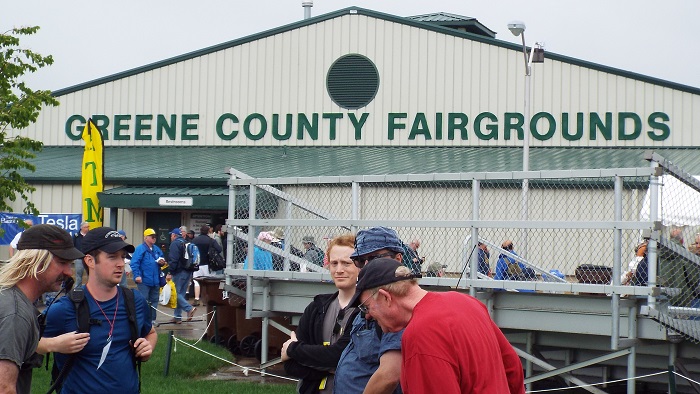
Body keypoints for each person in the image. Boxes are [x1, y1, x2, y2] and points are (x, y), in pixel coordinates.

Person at [350, 258, 525, 393]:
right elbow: (513, 367)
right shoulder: (467, 302)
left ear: (385, 297)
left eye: (366, 306)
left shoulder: (420, 334)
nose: (367, 315)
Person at [41, 227, 157, 393]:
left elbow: (151, 332)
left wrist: (147, 347)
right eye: (112, 257)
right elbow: (28, 344)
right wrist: (54, 344)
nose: (120, 263)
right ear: (89, 261)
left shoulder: (134, 301)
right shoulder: (65, 308)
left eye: (123, 257)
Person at [0, 224, 84, 394]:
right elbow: (4, 387)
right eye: (62, 262)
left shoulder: (10, 298)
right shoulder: (16, 314)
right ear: (36, 261)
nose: (69, 272)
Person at [281, 234, 360, 393]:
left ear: (360, 265)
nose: (339, 270)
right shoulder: (316, 308)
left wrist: (292, 349)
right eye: (334, 263)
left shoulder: (366, 311)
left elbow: (338, 356)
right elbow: (290, 366)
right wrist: (331, 368)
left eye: (346, 263)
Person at [335, 226, 405, 394]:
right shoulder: (367, 301)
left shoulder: (396, 308)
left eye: (374, 258)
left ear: (398, 259)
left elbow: (389, 376)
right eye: (359, 261)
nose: (366, 266)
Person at [130, 228, 166, 325]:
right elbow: (134, 263)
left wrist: (162, 263)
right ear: (145, 237)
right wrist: (137, 275)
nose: (154, 238)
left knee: (154, 301)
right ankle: (143, 320)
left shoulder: (157, 249)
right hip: (144, 280)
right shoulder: (140, 249)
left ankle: (152, 320)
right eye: (152, 236)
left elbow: (162, 260)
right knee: (144, 300)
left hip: (155, 280)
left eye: (155, 236)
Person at [167, 228, 197, 324]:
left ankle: (189, 308)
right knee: (181, 294)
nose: (170, 237)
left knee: (175, 293)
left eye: (171, 235)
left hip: (179, 272)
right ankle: (177, 316)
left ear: (174, 235)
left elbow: (173, 259)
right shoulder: (185, 242)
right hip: (188, 271)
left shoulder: (175, 244)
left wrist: (170, 272)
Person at [192, 225, 223, 305]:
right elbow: (219, 249)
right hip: (208, 264)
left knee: (196, 281)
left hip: (197, 264)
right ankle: (206, 299)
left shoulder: (195, 240)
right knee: (207, 282)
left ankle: (196, 299)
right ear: (208, 231)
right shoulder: (211, 240)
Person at [72, 221, 90, 288]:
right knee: (78, 275)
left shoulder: (90, 235)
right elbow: (72, 246)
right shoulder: (76, 236)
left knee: (90, 274)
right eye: (86, 227)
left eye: (88, 227)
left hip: (88, 258)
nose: (87, 228)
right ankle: (77, 290)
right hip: (79, 258)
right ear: (81, 228)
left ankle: (89, 289)